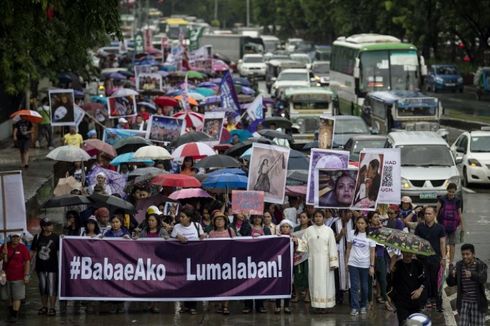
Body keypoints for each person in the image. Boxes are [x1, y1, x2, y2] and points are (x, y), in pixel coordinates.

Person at [295, 209, 339, 312]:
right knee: (315, 283)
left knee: (326, 283)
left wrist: (333, 262)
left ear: (323, 218)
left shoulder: (329, 230)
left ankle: (326, 305)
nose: (318, 218)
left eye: (320, 216)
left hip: (326, 262)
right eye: (316, 216)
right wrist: (297, 241)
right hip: (313, 261)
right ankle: (316, 305)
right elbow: (304, 246)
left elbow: (332, 246)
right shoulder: (309, 230)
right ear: (313, 218)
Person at [171, 209, 205, 314]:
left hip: (195, 258)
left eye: (183, 216)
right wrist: (177, 236)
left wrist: (203, 237)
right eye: (180, 216)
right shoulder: (176, 227)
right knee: (183, 282)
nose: (180, 218)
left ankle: (193, 306)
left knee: (193, 282)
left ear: (189, 218)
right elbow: (171, 238)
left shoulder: (197, 226)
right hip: (181, 259)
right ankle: (185, 306)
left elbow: (202, 238)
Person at [446, 243, 488, 326]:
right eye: (463, 254)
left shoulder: (481, 265)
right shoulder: (459, 265)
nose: (465, 256)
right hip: (463, 303)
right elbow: (450, 283)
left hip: (477, 303)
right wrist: (451, 275)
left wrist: (472, 275)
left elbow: (483, 279)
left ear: (473, 254)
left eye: (467, 254)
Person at [415, 206, 446, 312]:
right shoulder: (419, 227)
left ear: (434, 215)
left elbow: (442, 243)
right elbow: (416, 242)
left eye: (429, 214)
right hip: (422, 258)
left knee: (435, 281)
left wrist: (444, 258)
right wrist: (416, 255)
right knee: (424, 280)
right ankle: (425, 301)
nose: (427, 216)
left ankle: (437, 302)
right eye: (426, 214)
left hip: (435, 258)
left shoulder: (440, 228)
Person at [345, 215, 376, 316]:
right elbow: (348, 248)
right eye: (358, 223)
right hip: (353, 263)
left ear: (367, 224)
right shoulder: (351, 233)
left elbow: (372, 252)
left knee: (364, 287)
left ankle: (363, 305)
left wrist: (372, 266)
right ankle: (354, 307)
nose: (360, 225)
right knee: (354, 286)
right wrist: (346, 262)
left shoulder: (371, 235)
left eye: (362, 223)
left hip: (365, 265)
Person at [31, 218, 60, 316]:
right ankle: (44, 306)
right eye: (48, 225)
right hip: (40, 267)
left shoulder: (56, 237)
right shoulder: (37, 237)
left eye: (51, 224)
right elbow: (33, 251)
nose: (51, 226)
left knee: (52, 288)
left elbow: (63, 250)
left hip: (52, 267)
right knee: (43, 287)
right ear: (43, 227)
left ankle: (52, 308)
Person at [208, 211, 235, 315]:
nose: (219, 222)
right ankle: (219, 305)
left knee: (226, 284)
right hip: (215, 262)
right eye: (217, 220)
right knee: (217, 284)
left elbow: (236, 244)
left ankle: (225, 306)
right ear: (214, 222)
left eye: (221, 219)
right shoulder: (211, 233)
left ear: (225, 221)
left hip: (227, 262)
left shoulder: (230, 231)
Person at [1, 232, 31, 323]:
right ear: (10, 237)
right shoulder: (4, 246)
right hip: (5, 276)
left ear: (19, 238)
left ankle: (15, 314)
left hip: (19, 276)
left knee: (17, 297)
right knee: (6, 296)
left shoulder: (23, 248)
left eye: (17, 237)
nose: (15, 239)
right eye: (13, 237)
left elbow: (27, 262)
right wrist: (2, 254)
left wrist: (26, 275)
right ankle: (11, 310)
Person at [391, 252, 427, 324]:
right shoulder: (397, 265)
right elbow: (392, 283)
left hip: (415, 302)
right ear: (402, 252)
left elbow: (424, 281)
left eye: (410, 252)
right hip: (401, 302)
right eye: (406, 252)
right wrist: (391, 271)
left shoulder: (418, 264)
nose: (408, 254)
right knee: (404, 323)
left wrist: (419, 290)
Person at [436, 183, 463, 268]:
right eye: (450, 191)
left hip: (453, 226)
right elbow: (437, 211)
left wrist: (462, 225)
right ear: (447, 190)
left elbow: (459, 213)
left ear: (455, 191)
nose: (451, 193)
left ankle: (451, 262)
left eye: (453, 192)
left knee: (452, 244)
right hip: (442, 225)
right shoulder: (441, 199)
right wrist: (435, 223)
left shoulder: (458, 200)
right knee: (443, 243)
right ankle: (443, 259)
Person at [332, 209, 354, 304]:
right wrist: (340, 234)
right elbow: (332, 240)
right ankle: (339, 297)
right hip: (339, 253)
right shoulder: (335, 224)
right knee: (339, 276)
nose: (350, 214)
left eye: (351, 212)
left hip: (351, 254)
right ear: (342, 213)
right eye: (348, 212)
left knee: (351, 276)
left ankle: (351, 298)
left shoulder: (354, 223)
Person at [275, 220, 294, 314]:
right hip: (278, 265)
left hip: (288, 265)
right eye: (283, 227)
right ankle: (277, 306)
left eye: (287, 227)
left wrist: (296, 241)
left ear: (290, 229)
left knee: (288, 285)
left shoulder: (293, 238)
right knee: (278, 284)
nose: (285, 228)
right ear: (280, 228)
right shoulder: (277, 238)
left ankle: (286, 306)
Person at [292, 212, 311, 303]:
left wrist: (299, 241)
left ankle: (307, 295)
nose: (302, 219)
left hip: (308, 255)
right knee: (297, 275)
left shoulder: (311, 229)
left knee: (307, 274)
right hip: (298, 255)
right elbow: (292, 239)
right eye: (300, 217)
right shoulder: (296, 229)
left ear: (308, 219)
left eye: (304, 217)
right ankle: (297, 295)